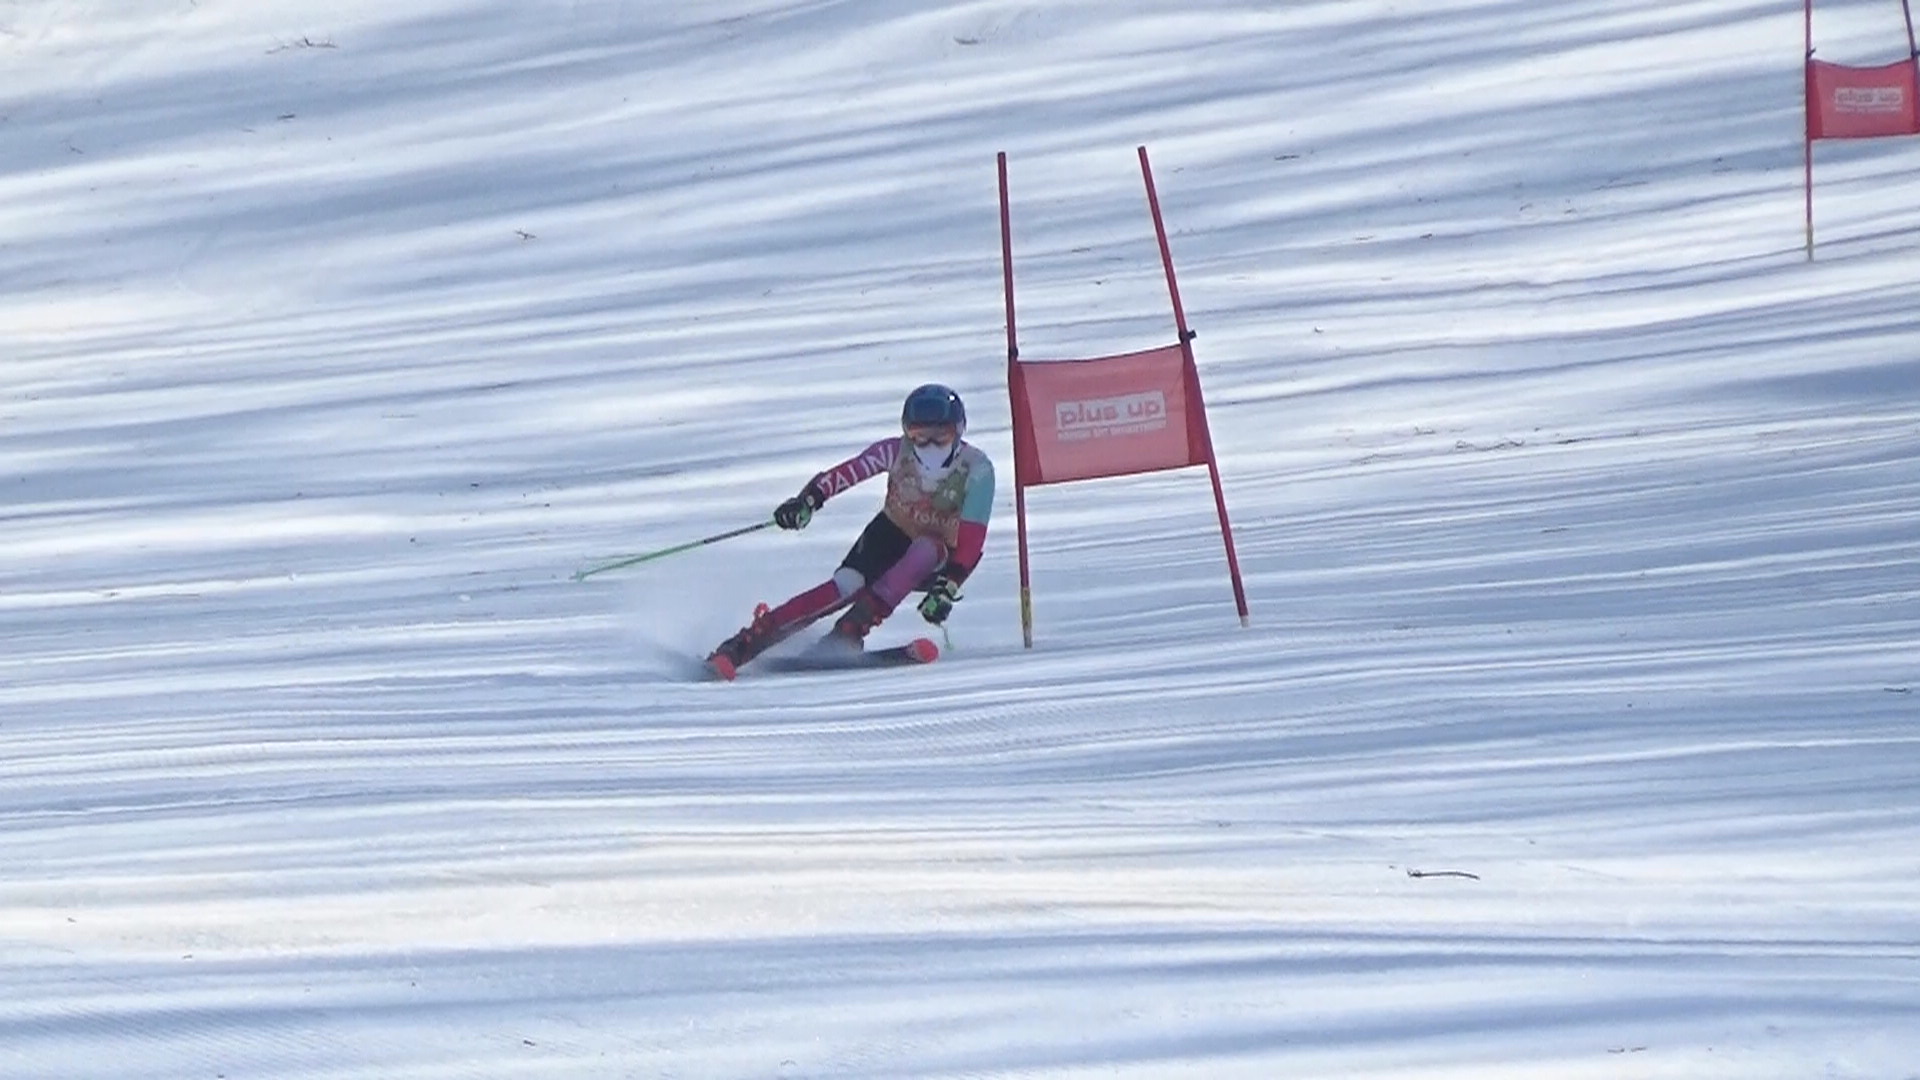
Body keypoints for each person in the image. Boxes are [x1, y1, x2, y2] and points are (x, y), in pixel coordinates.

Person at [706, 383, 994, 680]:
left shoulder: (977, 469)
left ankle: (851, 629)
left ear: (958, 432)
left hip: (941, 561)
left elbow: (972, 539)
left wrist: (948, 586)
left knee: (926, 548)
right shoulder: (895, 451)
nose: (930, 447)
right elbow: (848, 473)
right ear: (907, 433)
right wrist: (808, 500)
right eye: (920, 437)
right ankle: (745, 643)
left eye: (941, 437)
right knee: (846, 585)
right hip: (890, 534)